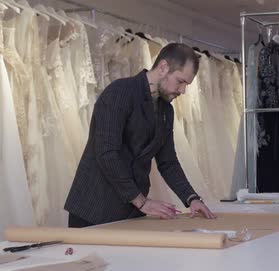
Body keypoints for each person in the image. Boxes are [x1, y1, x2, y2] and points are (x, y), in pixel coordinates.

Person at [64, 43, 216, 228]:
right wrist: (141, 201)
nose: (182, 91)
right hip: (93, 210)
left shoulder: (166, 110)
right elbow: (106, 153)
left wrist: (191, 198)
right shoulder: (119, 92)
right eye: (180, 81)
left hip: (130, 212)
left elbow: (168, 162)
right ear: (163, 67)